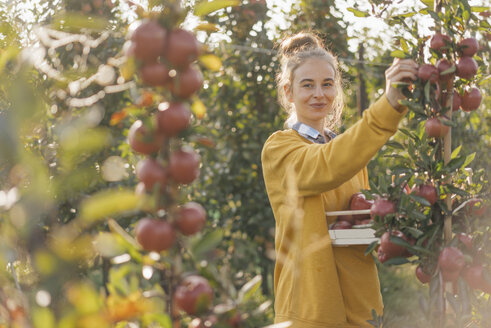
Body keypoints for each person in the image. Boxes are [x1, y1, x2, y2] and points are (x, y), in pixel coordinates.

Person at [261, 31, 418, 328]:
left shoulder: (348, 153)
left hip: (362, 311)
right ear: (289, 91)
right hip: (310, 311)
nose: (319, 94)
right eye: (307, 85)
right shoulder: (280, 149)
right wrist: (387, 107)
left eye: (327, 84)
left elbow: (358, 221)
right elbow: (327, 164)